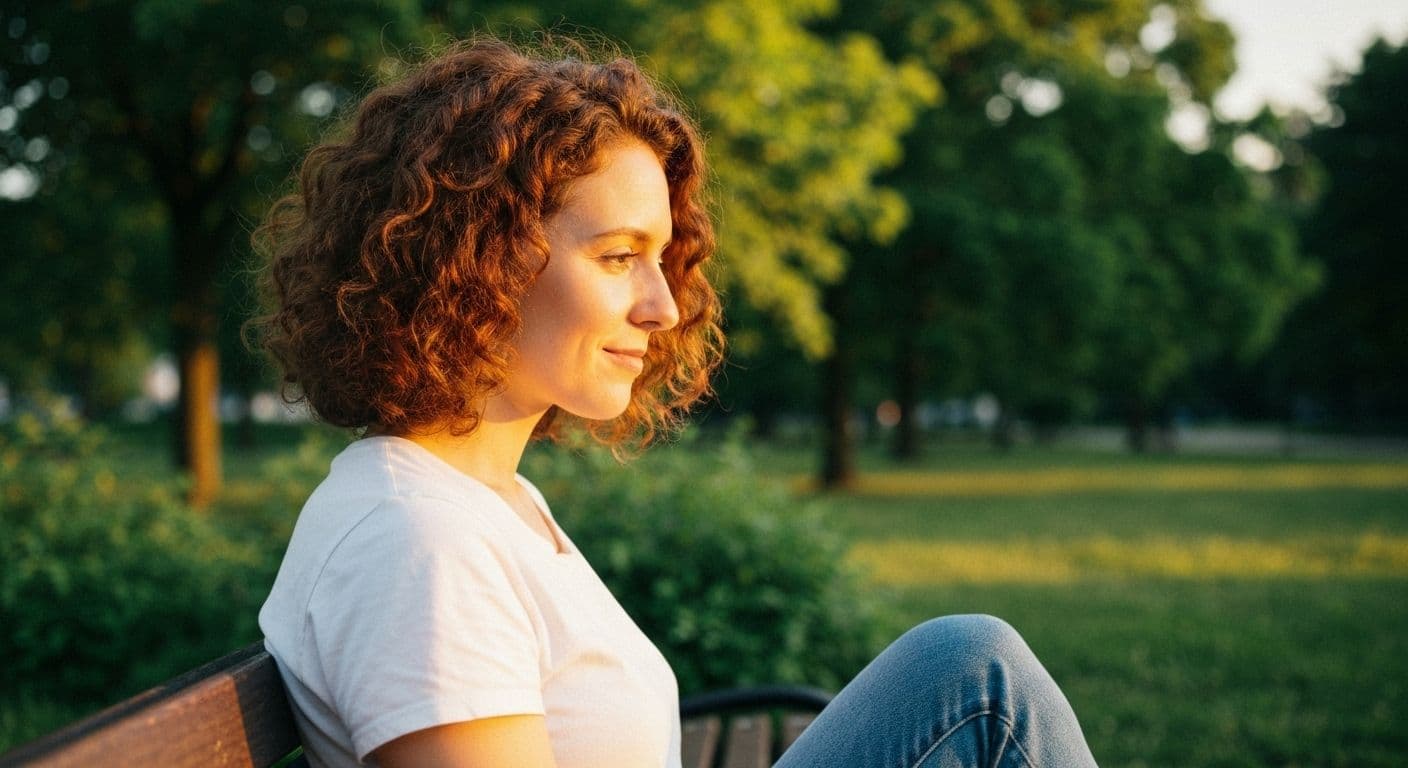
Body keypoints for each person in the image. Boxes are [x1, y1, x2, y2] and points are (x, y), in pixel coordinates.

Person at [252, 36, 1098, 768]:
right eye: (620, 256)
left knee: (972, 667)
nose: (664, 307)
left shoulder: (486, 502)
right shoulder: (419, 543)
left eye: (663, 258)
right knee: (981, 677)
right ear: (478, 260)